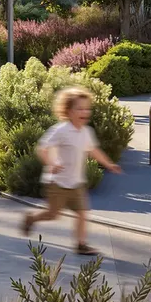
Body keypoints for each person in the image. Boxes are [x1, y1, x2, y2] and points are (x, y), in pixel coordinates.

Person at [21, 86, 122, 256]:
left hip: (76, 183)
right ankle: (31, 218)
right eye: (80, 108)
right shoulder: (60, 130)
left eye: (87, 108)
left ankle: (80, 244)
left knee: (82, 213)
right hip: (57, 182)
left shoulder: (86, 132)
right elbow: (42, 148)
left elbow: (93, 150)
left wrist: (109, 164)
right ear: (68, 111)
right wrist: (51, 163)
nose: (85, 112)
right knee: (53, 215)